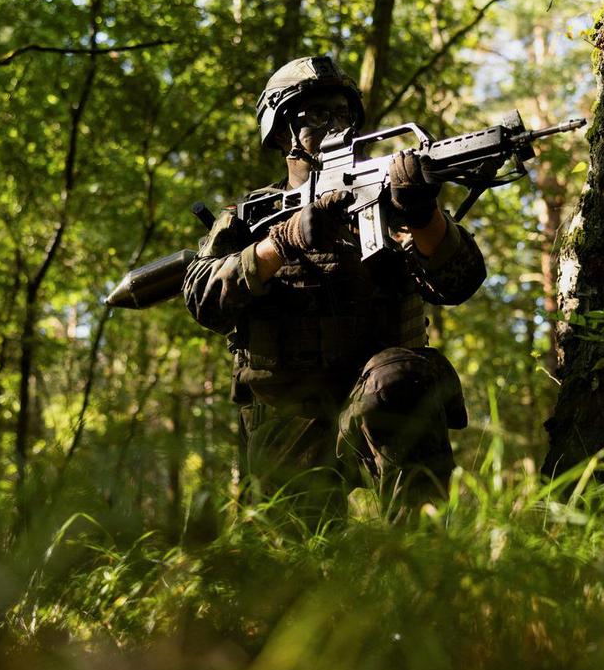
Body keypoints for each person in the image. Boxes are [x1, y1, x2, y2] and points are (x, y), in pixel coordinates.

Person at [182, 56, 486, 518]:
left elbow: (460, 281)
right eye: (318, 116)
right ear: (283, 132)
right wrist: (279, 243)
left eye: (344, 115)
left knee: (400, 377)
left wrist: (425, 218)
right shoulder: (250, 216)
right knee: (294, 567)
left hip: (381, 395)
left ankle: (421, 566)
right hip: (288, 414)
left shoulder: (387, 197)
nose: (335, 125)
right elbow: (202, 298)